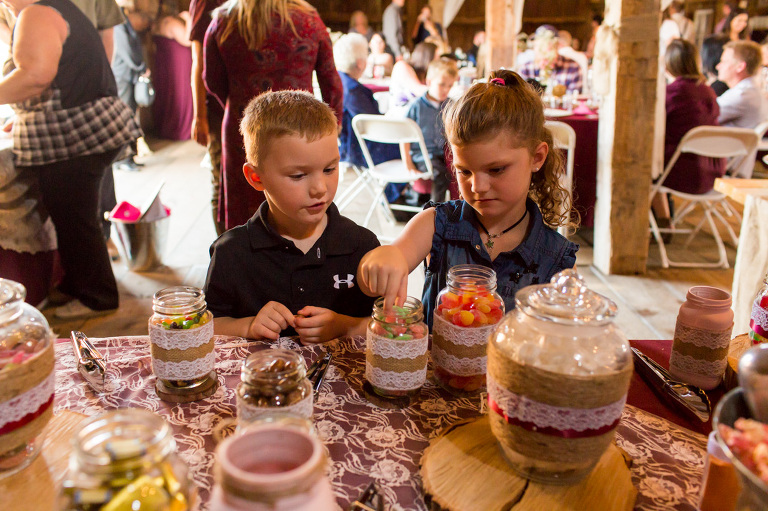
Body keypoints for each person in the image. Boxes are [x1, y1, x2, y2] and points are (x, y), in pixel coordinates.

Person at [356, 70, 578, 324]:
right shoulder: (436, 224)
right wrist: (383, 259)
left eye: (496, 170)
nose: (478, 186)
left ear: (537, 158)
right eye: (464, 171)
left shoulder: (556, 259)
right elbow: (376, 271)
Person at [0, 0, 141, 318]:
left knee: (76, 219)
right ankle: (78, 283)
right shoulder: (50, 8)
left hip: (75, 136)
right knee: (71, 214)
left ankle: (97, 297)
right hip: (82, 130)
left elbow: (36, 76)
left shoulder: (37, 13)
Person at [204, 90, 379, 343]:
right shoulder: (231, 252)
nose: (320, 187)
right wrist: (248, 326)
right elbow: (205, 326)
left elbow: (390, 326)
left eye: (329, 169)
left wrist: (344, 325)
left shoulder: (362, 246)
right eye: (298, 176)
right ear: (256, 177)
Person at [204, 0, 343, 231]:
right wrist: (331, 128)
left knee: (244, 207)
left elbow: (212, 81)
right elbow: (331, 82)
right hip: (301, 131)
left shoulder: (224, 21)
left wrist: (241, 104)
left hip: (244, 132)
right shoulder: (308, 20)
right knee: (302, 201)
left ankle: (241, 262)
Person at [661, 40, 725, 198]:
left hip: (681, 172)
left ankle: (663, 218)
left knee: (644, 163)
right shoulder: (708, 92)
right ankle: (664, 217)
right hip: (713, 170)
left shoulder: (671, 93)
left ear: (668, 63)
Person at [336, 33, 399, 170]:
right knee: (412, 146)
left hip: (348, 144)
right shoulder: (353, 91)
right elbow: (375, 125)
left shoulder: (339, 81)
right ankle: (396, 190)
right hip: (363, 151)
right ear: (360, 64)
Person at [189, 0, 225, 234]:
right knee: (221, 183)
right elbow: (198, 63)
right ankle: (224, 249)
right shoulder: (204, 3)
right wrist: (199, 116)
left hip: (252, 106)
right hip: (218, 110)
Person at [404, 58, 458, 203]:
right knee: (441, 173)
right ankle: (436, 210)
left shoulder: (450, 105)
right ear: (429, 82)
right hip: (423, 154)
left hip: (445, 153)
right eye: (441, 85)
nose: (446, 90)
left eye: (450, 85)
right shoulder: (416, 106)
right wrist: (408, 163)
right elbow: (404, 136)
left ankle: (459, 206)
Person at [111, 1, 150, 172]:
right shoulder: (116, 20)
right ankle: (122, 159)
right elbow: (124, 48)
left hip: (129, 74)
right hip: (123, 75)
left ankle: (131, 156)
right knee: (124, 117)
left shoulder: (122, 16)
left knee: (131, 115)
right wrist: (140, 67)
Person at [152, 12, 194, 141]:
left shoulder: (157, 24)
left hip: (167, 66)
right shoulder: (171, 23)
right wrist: (188, 18)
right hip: (178, 66)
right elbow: (188, 40)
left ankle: (168, 127)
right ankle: (181, 129)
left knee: (169, 93)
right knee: (181, 94)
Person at [716, 40, 767, 129]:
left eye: (724, 61)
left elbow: (702, 117)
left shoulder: (742, 94)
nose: (718, 66)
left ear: (740, 67)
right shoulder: (751, 90)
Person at [518, 25, 583, 93]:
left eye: (548, 47)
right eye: (539, 48)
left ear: (557, 46)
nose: (544, 53)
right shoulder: (526, 69)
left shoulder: (573, 67)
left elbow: (573, 99)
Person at [389, 41, 436, 108]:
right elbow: (418, 90)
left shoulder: (426, 74)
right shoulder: (401, 66)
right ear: (427, 57)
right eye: (437, 57)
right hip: (401, 114)